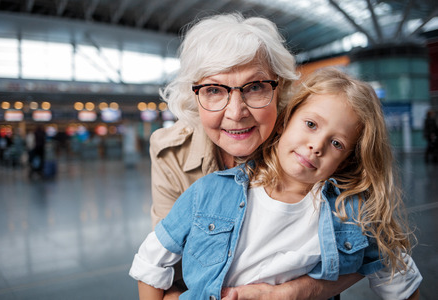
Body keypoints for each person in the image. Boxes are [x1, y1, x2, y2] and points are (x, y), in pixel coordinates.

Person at [130, 68, 422, 299]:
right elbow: (150, 262)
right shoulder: (209, 193)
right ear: (284, 122)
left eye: (336, 143)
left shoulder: (351, 214)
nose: (316, 146)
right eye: (310, 124)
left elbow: (399, 277)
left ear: (345, 161)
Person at [135, 13, 362, 299]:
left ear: (278, 87)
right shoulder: (170, 149)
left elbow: (371, 253)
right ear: (194, 96)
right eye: (214, 90)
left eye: (255, 87)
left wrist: (286, 294)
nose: (235, 112)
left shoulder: (310, 143)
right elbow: (165, 268)